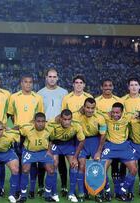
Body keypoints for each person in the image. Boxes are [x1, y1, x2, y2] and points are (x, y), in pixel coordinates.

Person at [7, 75, 44, 198]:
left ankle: (32, 189)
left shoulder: (38, 98)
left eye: (30, 82)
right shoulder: (14, 97)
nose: (28, 84)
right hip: (18, 135)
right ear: (21, 83)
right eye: (25, 82)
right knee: (18, 163)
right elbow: (11, 115)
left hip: (32, 136)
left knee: (31, 163)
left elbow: (39, 116)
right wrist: (18, 126)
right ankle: (18, 189)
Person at [37, 68, 68, 197]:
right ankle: (40, 186)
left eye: (54, 76)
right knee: (43, 158)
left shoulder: (64, 92)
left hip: (60, 130)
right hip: (45, 130)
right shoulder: (40, 93)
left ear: (58, 78)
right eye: (50, 76)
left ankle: (64, 186)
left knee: (60, 160)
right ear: (46, 78)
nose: (52, 79)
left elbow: (66, 112)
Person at [60, 74, 92, 196]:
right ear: (73, 84)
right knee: (74, 162)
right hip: (71, 136)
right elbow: (63, 115)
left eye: (81, 83)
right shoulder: (67, 98)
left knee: (83, 164)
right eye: (76, 83)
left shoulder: (89, 97)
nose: (78, 85)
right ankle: (71, 188)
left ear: (84, 85)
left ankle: (84, 188)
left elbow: (92, 113)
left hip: (85, 135)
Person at [100, 102, 138, 201]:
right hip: (110, 146)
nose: (115, 115)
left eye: (117, 113)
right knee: (102, 170)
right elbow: (95, 112)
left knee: (134, 170)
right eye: (113, 112)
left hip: (124, 147)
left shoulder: (128, 116)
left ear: (122, 112)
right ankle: (107, 192)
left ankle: (123, 191)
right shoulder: (106, 116)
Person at [18, 112, 58, 202]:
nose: (40, 124)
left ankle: (48, 194)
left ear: (45, 122)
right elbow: (18, 130)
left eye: (43, 121)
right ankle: (23, 194)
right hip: (29, 152)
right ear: (34, 121)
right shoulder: (27, 128)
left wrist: (49, 150)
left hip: (43, 152)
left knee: (51, 170)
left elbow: (51, 139)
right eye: (38, 121)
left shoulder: (50, 128)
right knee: (25, 170)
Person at [48, 109, 85, 203]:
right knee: (54, 164)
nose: (67, 122)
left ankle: (71, 193)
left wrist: (75, 157)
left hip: (69, 144)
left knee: (74, 165)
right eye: (64, 119)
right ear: (60, 119)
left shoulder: (76, 125)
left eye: (69, 119)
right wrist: (49, 151)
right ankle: (54, 192)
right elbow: (47, 138)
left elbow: (82, 141)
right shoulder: (51, 124)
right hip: (55, 144)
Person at [95, 79, 123, 200]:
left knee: (116, 165)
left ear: (112, 87)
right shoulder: (96, 100)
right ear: (101, 87)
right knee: (103, 164)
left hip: (115, 139)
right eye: (105, 86)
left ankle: (117, 190)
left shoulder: (119, 100)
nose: (107, 87)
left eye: (110, 85)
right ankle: (105, 190)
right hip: (101, 137)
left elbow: (122, 119)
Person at [121, 78, 140, 197]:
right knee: (128, 163)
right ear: (128, 87)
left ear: (139, 87)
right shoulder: (123, 100)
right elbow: (121, 117)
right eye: (131, 85)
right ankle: (127, 188)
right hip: (128, 135)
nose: (133, 87)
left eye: (136, 85)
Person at [74, 98, 106, 202]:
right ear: (83, 107)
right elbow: (60, 118)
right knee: (82, 166)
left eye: (92, 108)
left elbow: (103, 135)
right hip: (81, 142)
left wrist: (99, 151)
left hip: (95, 141)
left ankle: (97, 193)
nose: (90, 110)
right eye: (88, 107)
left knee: (96, 166)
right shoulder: (76, 115)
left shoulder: (100, 117)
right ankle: (82, 193)